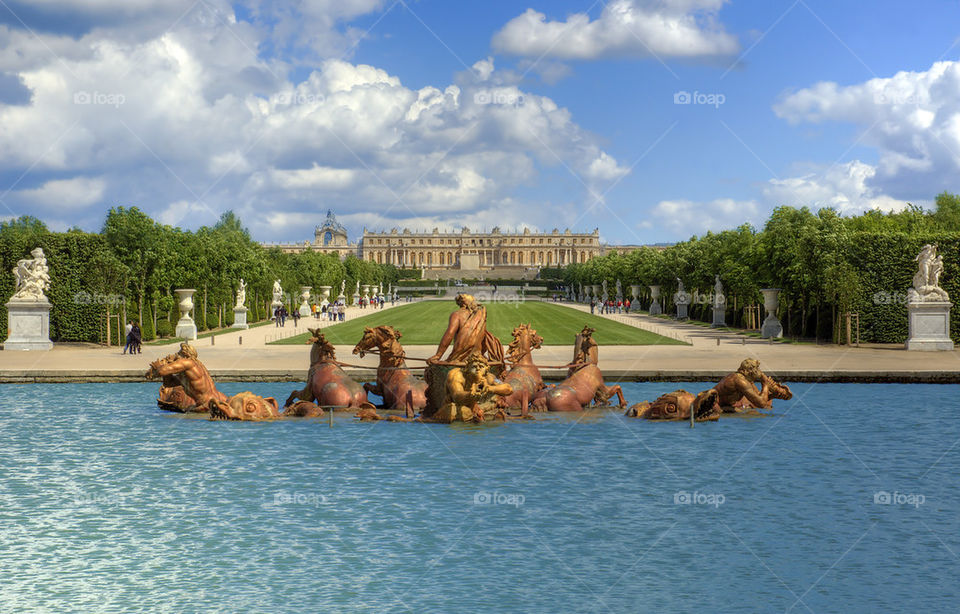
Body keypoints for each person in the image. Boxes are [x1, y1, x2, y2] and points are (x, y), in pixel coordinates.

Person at [427, 293, 503, 366]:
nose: (475, 303)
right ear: (465, 303)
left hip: (461, 357)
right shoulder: (479, 315)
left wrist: (438, 355)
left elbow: (449, 334)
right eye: (472, 301)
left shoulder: (458, 315)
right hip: (477, 357)